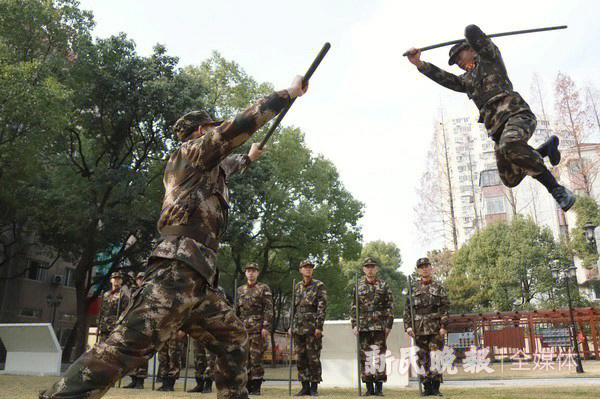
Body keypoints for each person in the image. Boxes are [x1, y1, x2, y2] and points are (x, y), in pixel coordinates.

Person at [39, 75, 308, 399]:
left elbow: (230, 165)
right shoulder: (190, 153)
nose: (215, 131)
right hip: (175, 272)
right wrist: (287, 94)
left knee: (233, 339)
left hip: (199, 280)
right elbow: (236, 128)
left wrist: (249, 159)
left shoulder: (207, 168)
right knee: (126, 346)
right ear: (199, 132)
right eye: (211, 127)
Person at [406, 24, 575, 212]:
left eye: (459, 57)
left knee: (510, 145)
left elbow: (472, 31)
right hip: (498, 132)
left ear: (471, 49)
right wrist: (419, 64)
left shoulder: (490, 59)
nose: (459, 63)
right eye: (456, 63)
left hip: (517, 115)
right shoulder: (467, 81)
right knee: (510, 178)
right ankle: (545, 149)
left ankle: (557, 190)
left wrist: (471, 40)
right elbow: (444, 78)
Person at [403, 258, 449, 397]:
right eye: (421, 267)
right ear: (418, 270)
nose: (424, 269)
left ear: (431, 268)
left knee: (436, 356)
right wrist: (408, 327)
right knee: (422, 357)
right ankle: (426, 387)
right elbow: (407, 309)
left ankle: (435, 387)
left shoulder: (439, 287)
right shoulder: (413, 288)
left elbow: (445, 308)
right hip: (419, 328)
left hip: (435, 327)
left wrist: (444, 326)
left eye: (426, 266)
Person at [350, 257, 394, 396]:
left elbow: (390, 306)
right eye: (367, 267)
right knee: (365, 357)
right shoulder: (358, 286)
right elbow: (354, 307)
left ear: (376, 269)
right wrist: (354, 324)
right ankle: (369, 387)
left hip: (380, 325)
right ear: (363, 269)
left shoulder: (384, 286)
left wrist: (389, 325)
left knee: (380, 356)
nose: (370, 269)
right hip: (364, 326)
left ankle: (379, 387)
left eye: (372, 267)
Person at [236, 262, 274, 395]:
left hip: (258, 328)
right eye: (248, 271)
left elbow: (268, 308)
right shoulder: (240, 290)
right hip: (243, 328)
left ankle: (256, 385)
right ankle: (247, 385)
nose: (251, 273)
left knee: (256, 358)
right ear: (245, 273)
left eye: (254, 271)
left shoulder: (264, 288)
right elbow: (237, 311)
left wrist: (266, 326)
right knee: (244, 358)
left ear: (257, 273)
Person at [291, 260, 327, 396]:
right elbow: (293, 308)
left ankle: (314, 387)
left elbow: (322, 308)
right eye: (305, 268)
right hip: (299, 327)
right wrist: (291, 326)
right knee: (300, 357)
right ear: (300, 270)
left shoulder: (319, 285)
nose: (308, 270)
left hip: (312, 327)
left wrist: (319, 326)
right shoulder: (297, 286)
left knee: (313, 358)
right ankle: (304, 386)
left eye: (310, 268)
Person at [123, 272, 148, 389]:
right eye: (139, 279)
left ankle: (140, 380)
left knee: (142, 353)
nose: (141, 281)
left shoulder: (149, 292)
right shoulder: (133, 292)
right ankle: (133, 378)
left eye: (143, 279)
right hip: (133, 325)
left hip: (145, 326)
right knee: (132, 352)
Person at [97, 271, 129, 344]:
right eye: (114, 278)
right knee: (100, 349)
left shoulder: (123, 295)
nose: (116, 280)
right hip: (104, 328)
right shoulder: (106, 294)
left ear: (121, 281)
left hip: (114, 329)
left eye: (119, 278)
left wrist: (120, 327)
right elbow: (101, 310)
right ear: (111, 280)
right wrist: (98, 325)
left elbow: (125, 313)